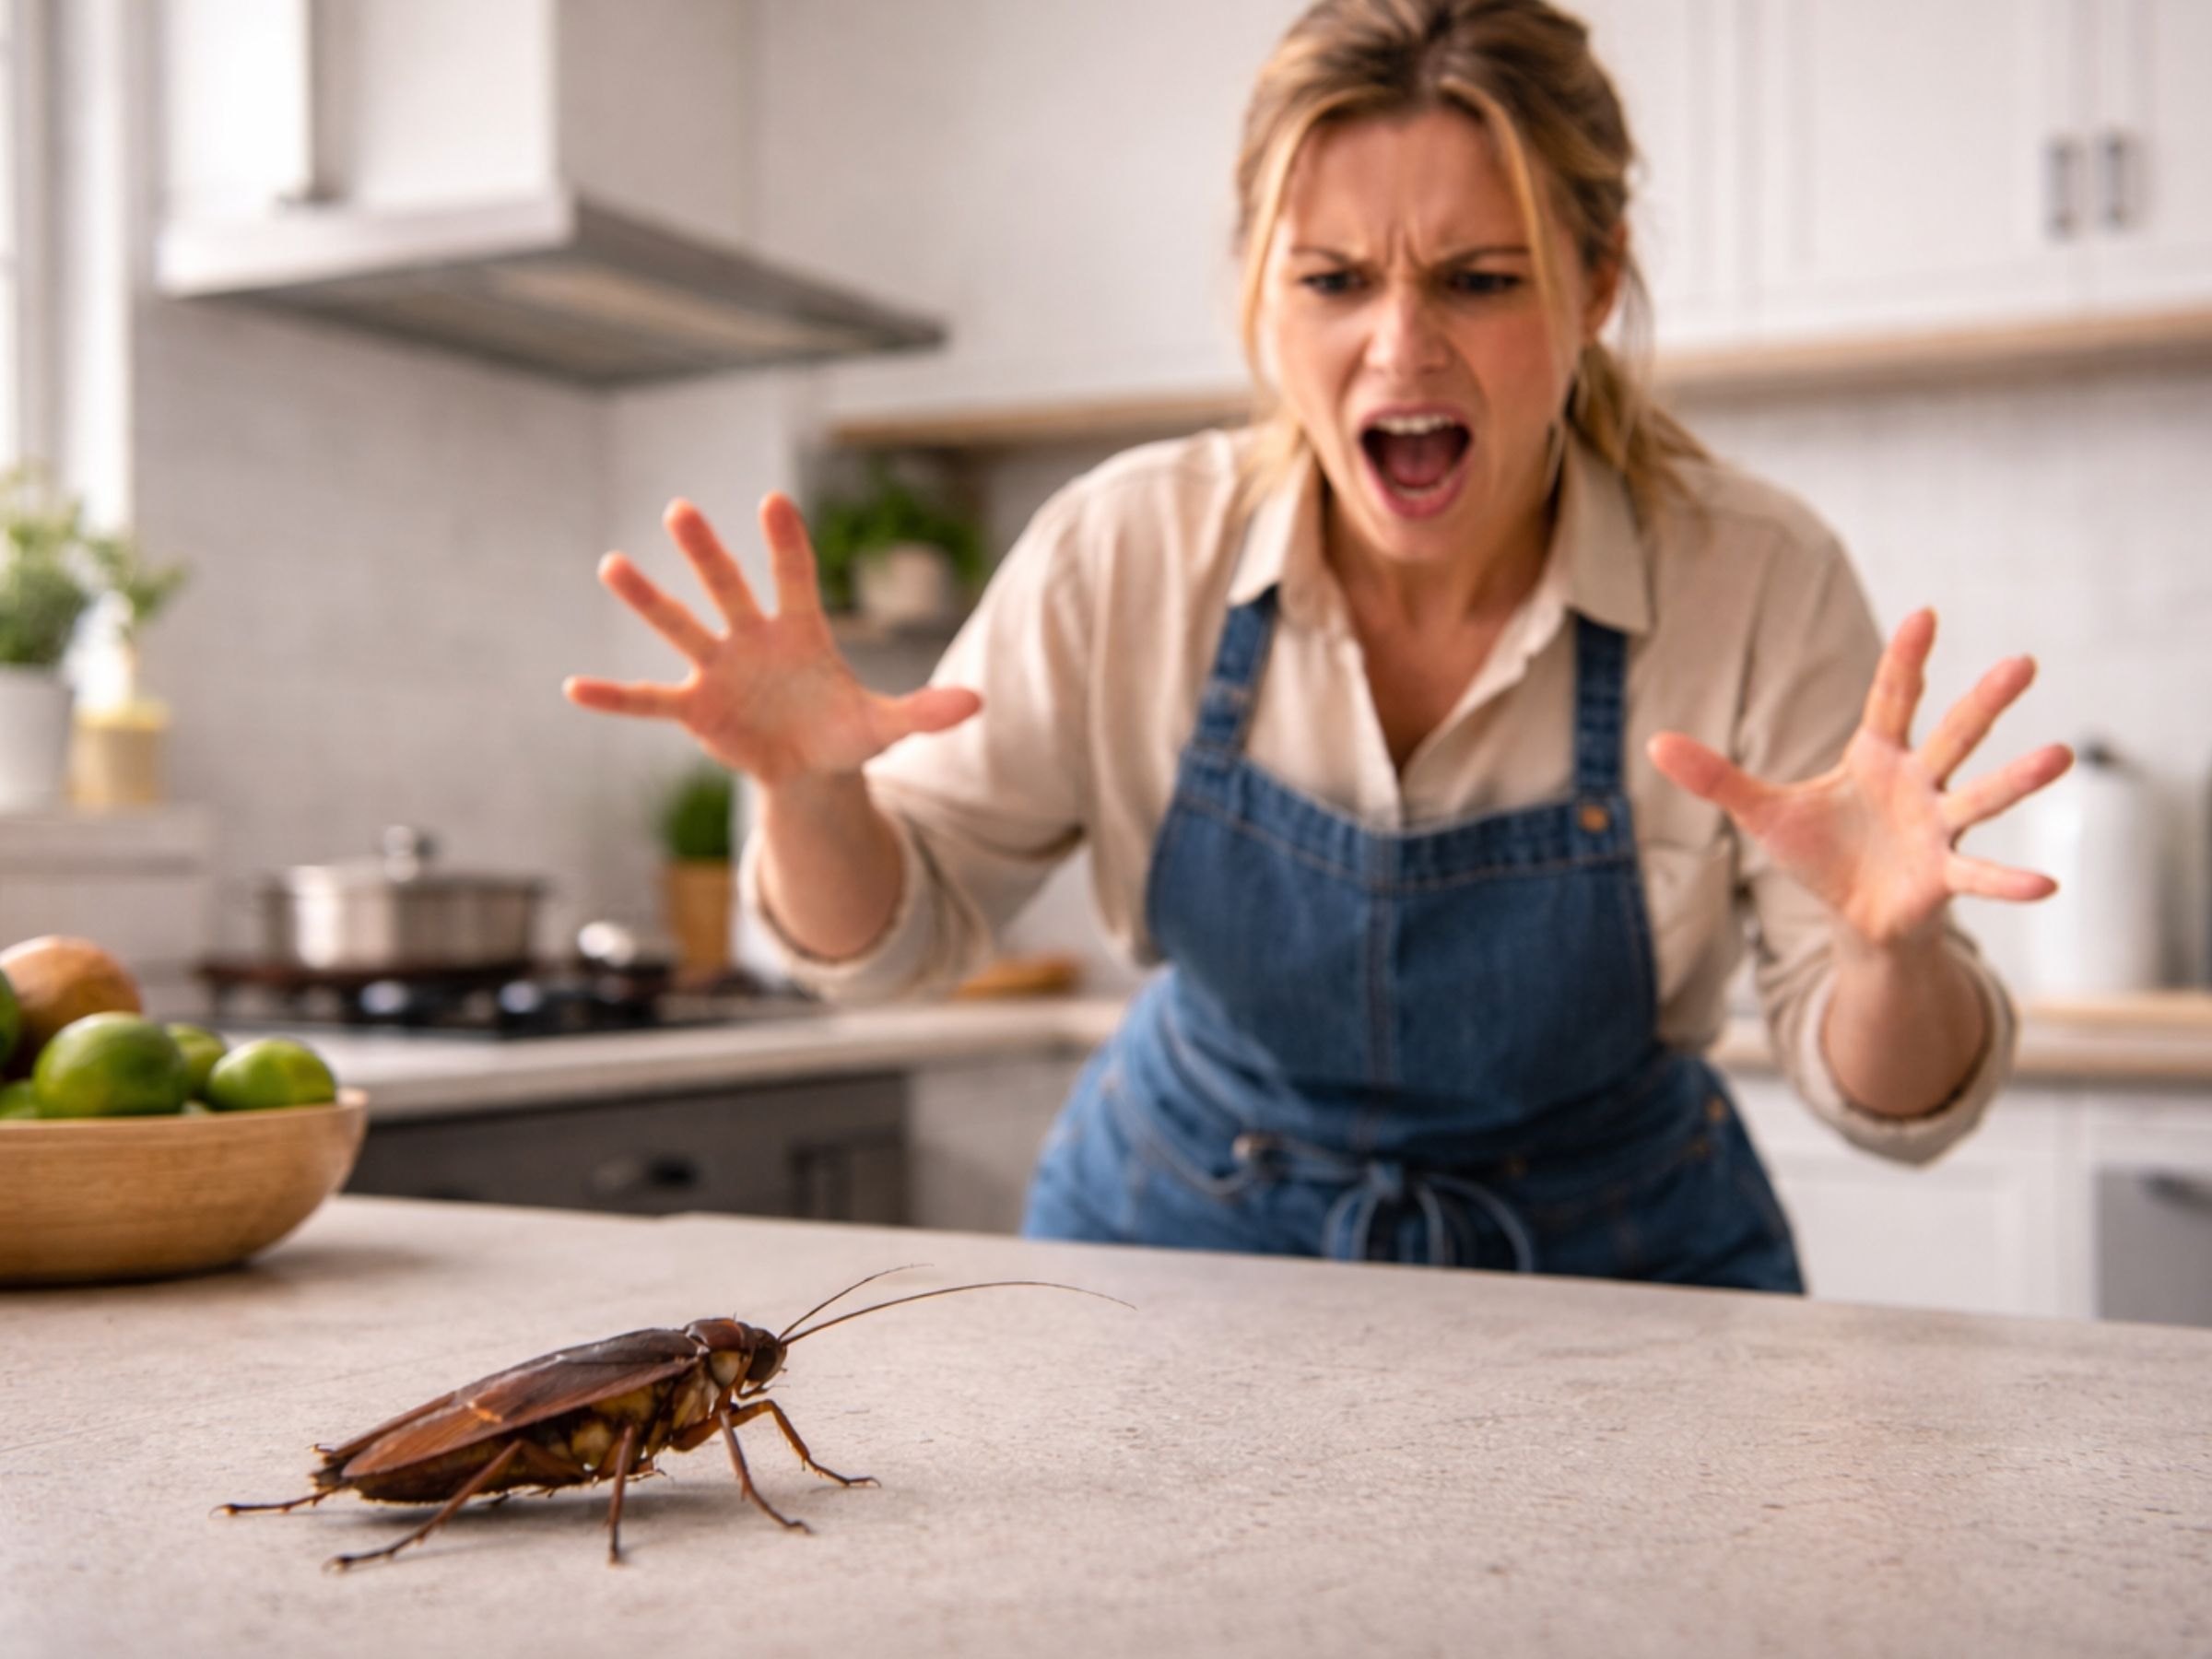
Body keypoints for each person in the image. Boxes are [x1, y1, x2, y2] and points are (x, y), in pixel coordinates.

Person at [566, 0, 2072, 1291]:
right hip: (1173, 1248)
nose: (1402, 346)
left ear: (1596, 282)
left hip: (1624, 1269)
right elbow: (887, 952)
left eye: (1481, 279)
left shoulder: (1757, 580)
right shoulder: (1127, 549)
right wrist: (817, 797)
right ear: (1259, 289)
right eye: (1334, 280)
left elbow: (1904, 1106)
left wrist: (1892, 953)